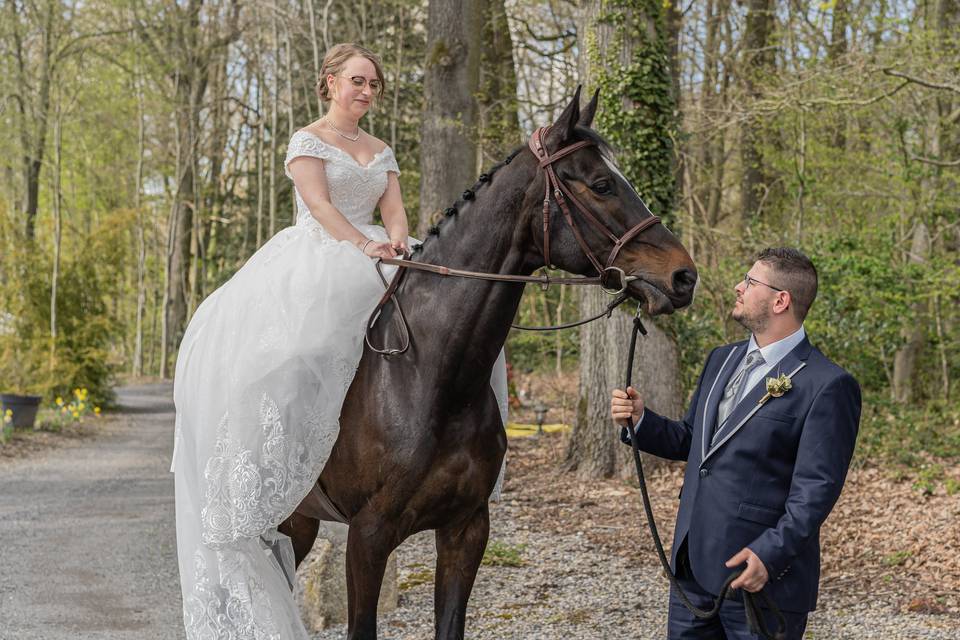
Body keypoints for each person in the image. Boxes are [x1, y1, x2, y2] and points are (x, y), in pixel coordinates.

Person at [170, 43, 507, 640]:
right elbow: (321, 206)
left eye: (374, 83)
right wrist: (362, 245)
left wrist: (399, 243)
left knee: (444, 329)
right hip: (322, 257)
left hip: (383, 252)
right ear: (330, 83)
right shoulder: (308, 140)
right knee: (299, 350)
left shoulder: (381, 150)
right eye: (357, 81)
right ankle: (286, 455)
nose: (367, 91)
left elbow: (397, 212)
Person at [611, 248, 861, 640]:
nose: (737, 287)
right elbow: (695, 443)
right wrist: (642, 421)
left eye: (750, 281)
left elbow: (816, 490)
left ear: (781, 300)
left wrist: (771, 554)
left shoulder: (826, 384)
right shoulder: (722, 359)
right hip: (691, 568)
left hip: (759, 579)